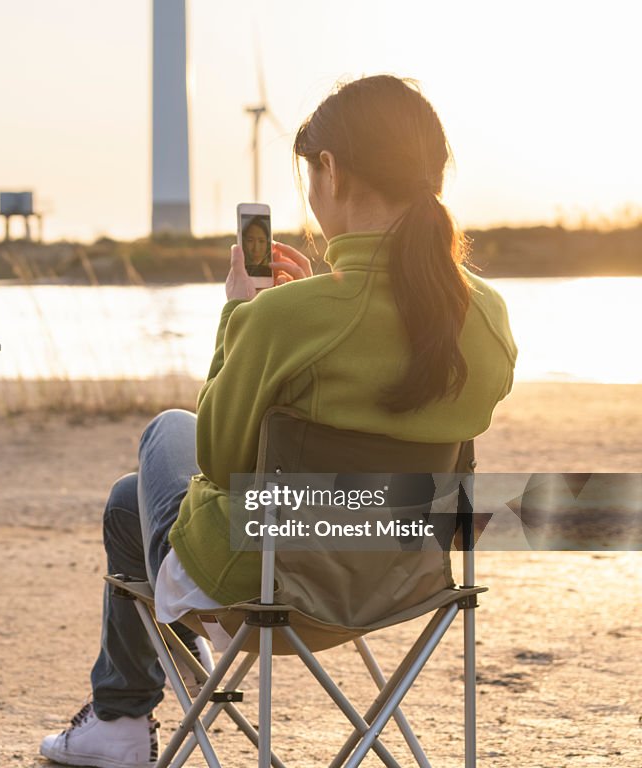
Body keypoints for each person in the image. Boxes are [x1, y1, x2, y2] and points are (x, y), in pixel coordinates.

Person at [40, 74, 517, 768]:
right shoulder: (485, 316)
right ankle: (117, 715)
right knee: (126, 504)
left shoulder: (281, 318)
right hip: (405, 577)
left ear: (330, 169)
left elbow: (221, 462)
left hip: (269, 591)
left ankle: (128, 709)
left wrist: (244, 315)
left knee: (168, 431)